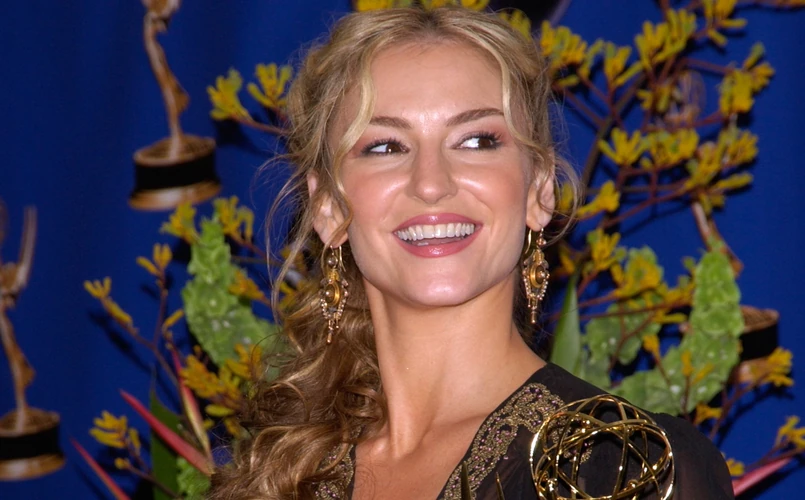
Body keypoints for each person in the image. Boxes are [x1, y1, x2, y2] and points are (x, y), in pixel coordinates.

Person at [209, 6, 733, 499]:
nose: (431, 183)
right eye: (385, 147)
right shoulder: (277, 472)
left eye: (476, 141)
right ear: (327, 207)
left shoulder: (626, 464)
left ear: (539, 191)